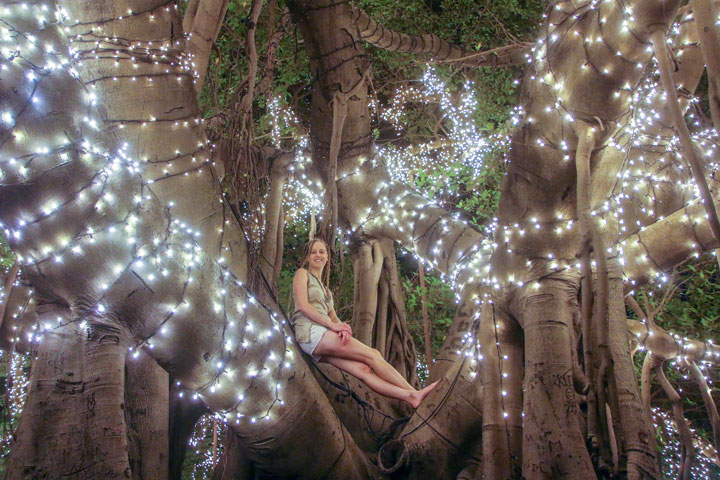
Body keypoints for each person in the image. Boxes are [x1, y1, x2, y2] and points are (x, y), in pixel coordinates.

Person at [290, 237, 438, 409]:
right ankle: (414, 391)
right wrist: (333, 326)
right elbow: (303, 305)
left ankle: (410, 397)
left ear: (327, 257)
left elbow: (334, 318)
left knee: (363, 370)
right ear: (307, 257)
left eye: (321, 251)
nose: (317, 255)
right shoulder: (302, 274)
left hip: (323, 339)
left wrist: (343, 328)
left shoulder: (326, 291)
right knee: (373, 355)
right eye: (313, 252)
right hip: (310, 332)